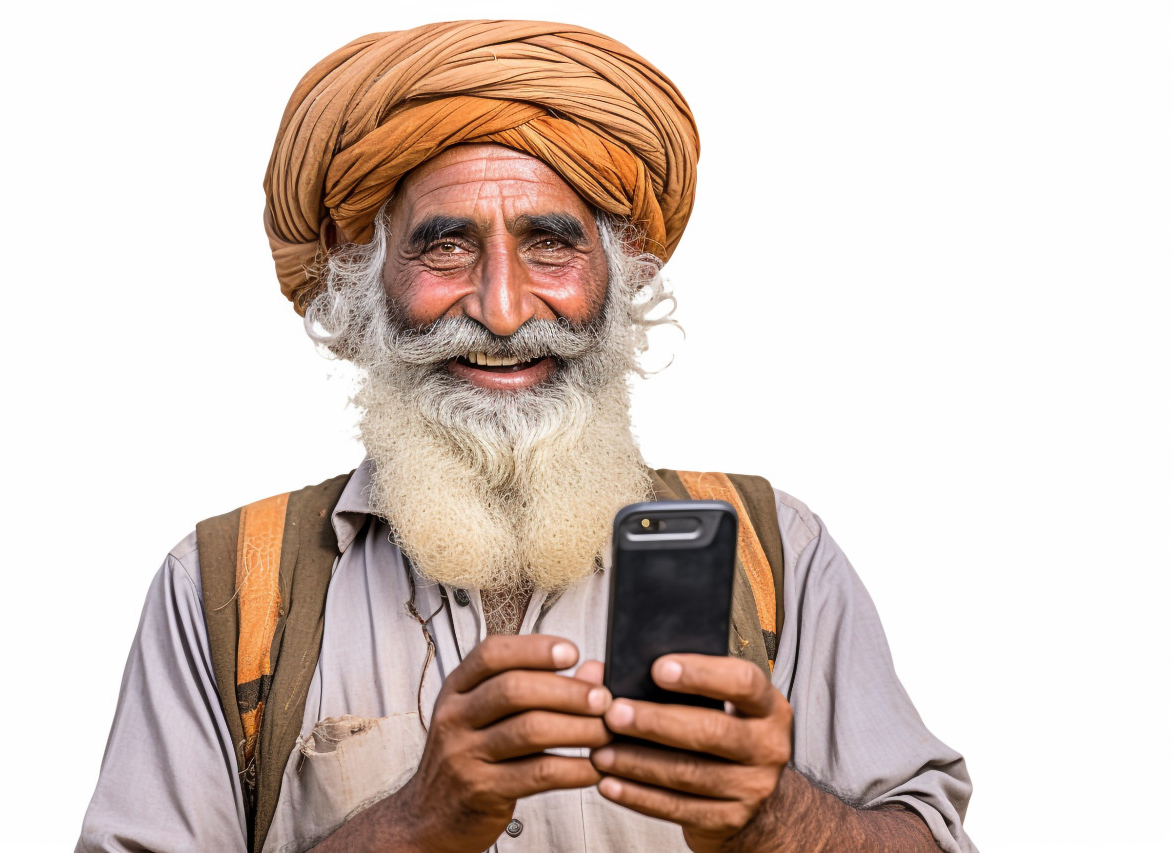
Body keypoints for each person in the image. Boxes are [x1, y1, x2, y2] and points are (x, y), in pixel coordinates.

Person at [77, 20, 976, 853]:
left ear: (620, 275)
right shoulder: (226, 585)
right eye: (446, 247)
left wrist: (781, 818)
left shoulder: (777, 553)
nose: (503, 311)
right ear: (363, 280)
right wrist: (416, 821)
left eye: (550, 244)